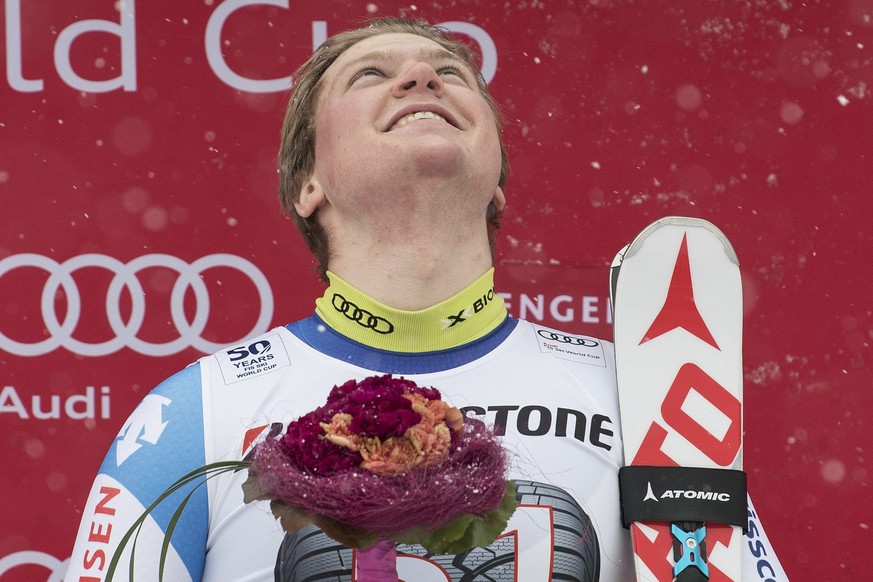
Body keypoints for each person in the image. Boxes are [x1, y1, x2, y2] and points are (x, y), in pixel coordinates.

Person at [66, 17, 788, 581]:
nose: (420, 76)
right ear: (305, 185)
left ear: (497, 178)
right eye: (369, 76)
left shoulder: (640, 390)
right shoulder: (195, 413)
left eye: (451, 73)